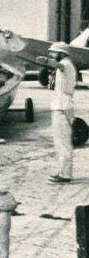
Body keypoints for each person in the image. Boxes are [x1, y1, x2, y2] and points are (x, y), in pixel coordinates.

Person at [36, 42, 77, 183]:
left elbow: (59, 65)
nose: (51, 55)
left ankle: (65, 175)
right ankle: (62, 171)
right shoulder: (64, 65)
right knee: (60, 142)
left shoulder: (66, 64)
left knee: (63, 142)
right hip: (60, 106)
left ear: (62, 53)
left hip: (62, 107)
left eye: (53, 53)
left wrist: (47, 61)